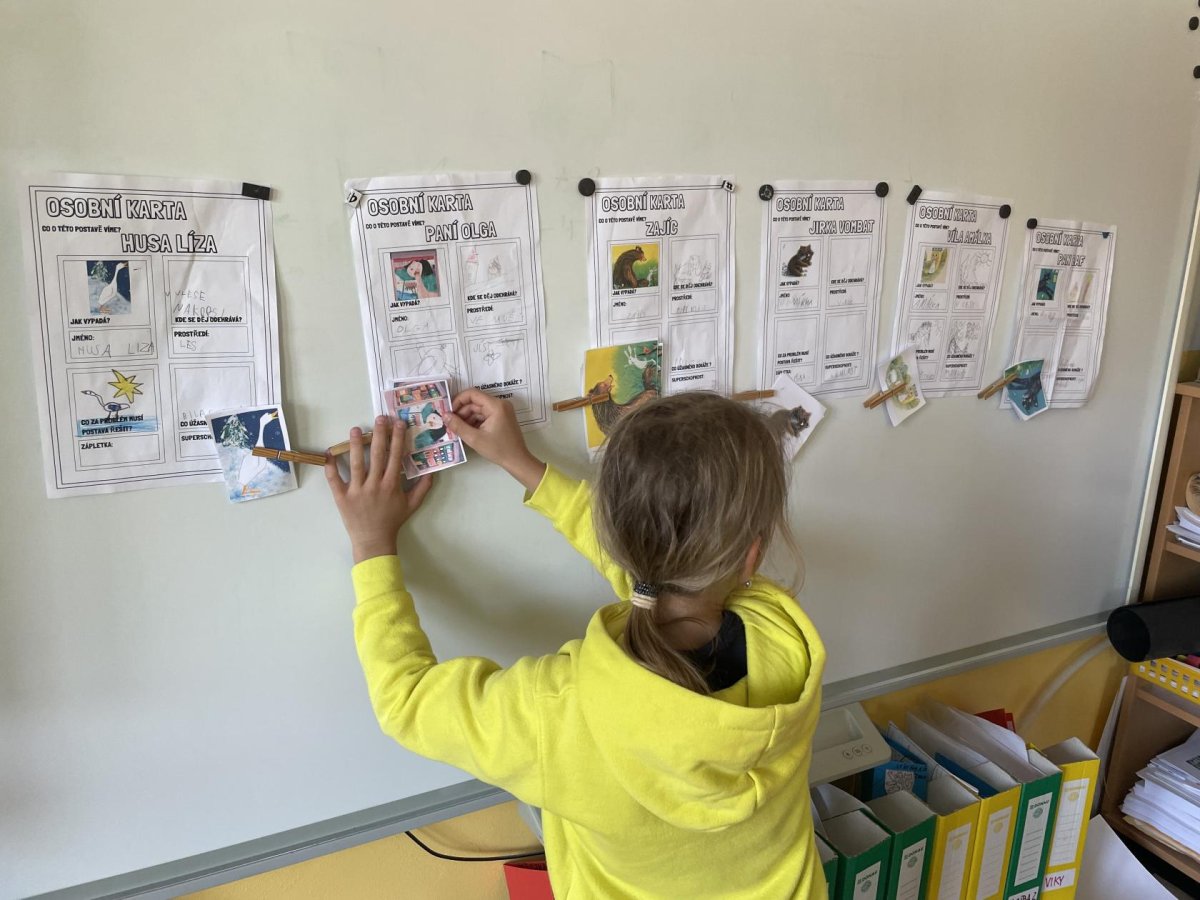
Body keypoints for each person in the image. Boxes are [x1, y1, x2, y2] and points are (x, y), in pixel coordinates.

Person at [325, 389, 827, 899]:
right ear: (751, 556)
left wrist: (372, 546)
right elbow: (663, 577)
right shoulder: (785, 638)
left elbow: (406, 699)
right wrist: (525, 466)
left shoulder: (558, 714)